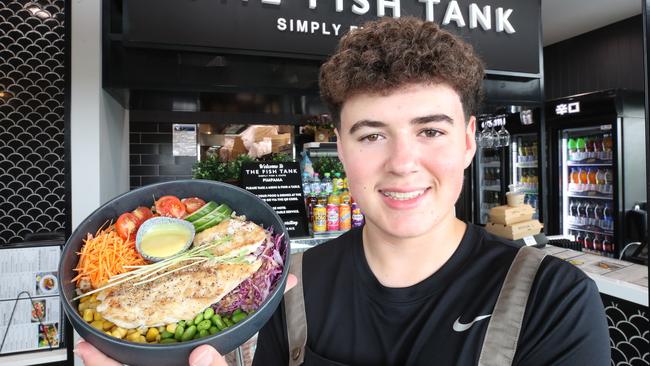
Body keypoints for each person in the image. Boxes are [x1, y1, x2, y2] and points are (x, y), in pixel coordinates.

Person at [76, 17, 610, 366]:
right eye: (372, 134)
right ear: (341, 148)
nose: (403, 163)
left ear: (468, 141)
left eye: (431, 130)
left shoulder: (552, 298)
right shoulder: (291, 286)